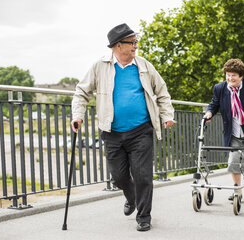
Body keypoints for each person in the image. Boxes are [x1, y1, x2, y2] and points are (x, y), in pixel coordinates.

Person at [71, 23, 174, 232]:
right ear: (118, 46)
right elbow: (81, 93)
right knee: (118, 176)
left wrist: (167, 114)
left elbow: (161, 91)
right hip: (111, 132)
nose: (136, 45)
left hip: (141, 130)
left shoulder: (144, 65)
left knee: (143, 175)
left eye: (136, 41)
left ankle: (144, 216)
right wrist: (78, 116)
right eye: (132, 42)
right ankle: (131, 196)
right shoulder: (100, 66)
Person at [203, 58, 244, 202]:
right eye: (227, 74)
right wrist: (209, 113)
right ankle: (237, 191)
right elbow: (214, 104)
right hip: (233, 132)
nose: (230, 78)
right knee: (233, 162)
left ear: (241, 76)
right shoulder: (220, 88)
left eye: (233, 75)